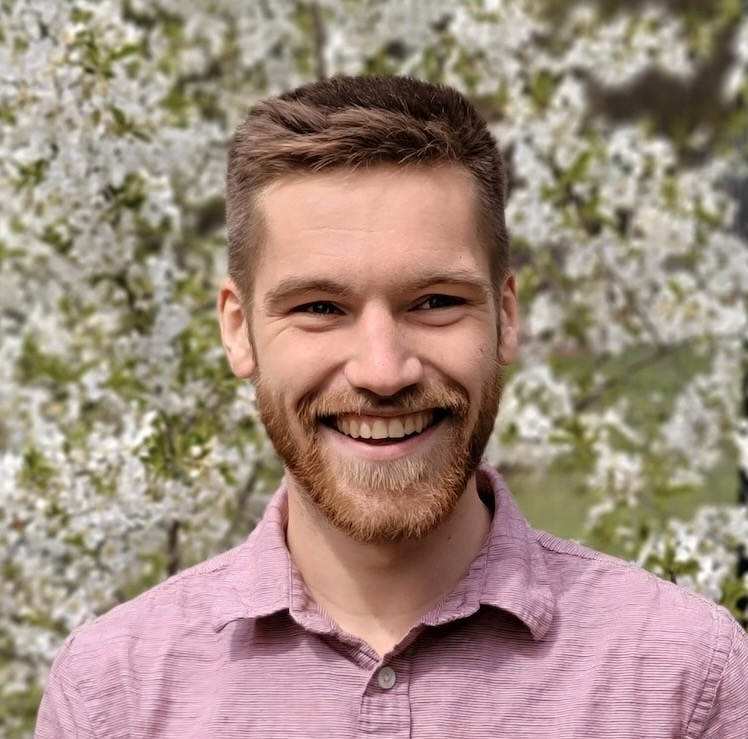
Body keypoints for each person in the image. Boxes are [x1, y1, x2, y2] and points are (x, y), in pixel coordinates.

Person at [36, 74, 748, 738]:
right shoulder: (114, 697)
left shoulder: (686, 683)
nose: (382, 371)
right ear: (237, 329)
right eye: (319, 307)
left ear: (506, 315)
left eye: (435, 302)